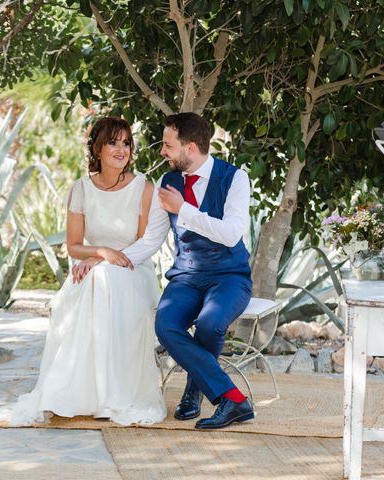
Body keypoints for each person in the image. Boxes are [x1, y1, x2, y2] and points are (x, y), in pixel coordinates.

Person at [0, 117, 166, 426]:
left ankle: (112, 394)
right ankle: (83, 392)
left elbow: (141, 245)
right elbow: (74, 246)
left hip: (132, 270)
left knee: (99, 277)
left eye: (126, 143)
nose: (121, 149)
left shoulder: (144, 188)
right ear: (97, 148)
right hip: (92, 269)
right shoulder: (81, 189)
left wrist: (103, 261)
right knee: (92, 280)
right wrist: (99, 253)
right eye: (113, 142)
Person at [121, 112, 253, 429]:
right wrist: (112, 257)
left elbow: (231, 233)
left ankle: (195, 391)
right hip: (187, 276)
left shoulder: (235, 178)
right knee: (166, 326)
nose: (163, 152)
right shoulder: (168, 182)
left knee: (209, 324)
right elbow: (153, 237)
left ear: (190, 148)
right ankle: (233, 399)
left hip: (229, 276)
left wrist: (183, 209)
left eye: (168, 145)